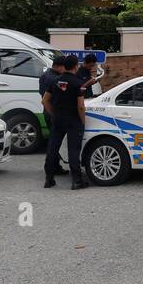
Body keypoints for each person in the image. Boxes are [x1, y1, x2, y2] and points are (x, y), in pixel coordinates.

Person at [43, 55, 88, 189]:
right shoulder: (78, 83)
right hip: (73, 120)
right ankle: (77, 181)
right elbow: (80, 106)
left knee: (53, 148)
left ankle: (49, 179)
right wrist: (82, 121)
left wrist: (54, 114)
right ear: (75, 66)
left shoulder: (55, 81)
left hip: (58, 119)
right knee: (74, 150)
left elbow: (44, 100)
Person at [38, 57, 70, 174]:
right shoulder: (53, 78)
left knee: (54, 142)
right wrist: (54, 114)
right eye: (64, 68)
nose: (65, 70)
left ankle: (53, 167)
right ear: (58, 66)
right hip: (52, 112)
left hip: (48, 112)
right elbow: (50, 98)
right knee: (55, 143)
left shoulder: (46, 75)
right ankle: (52, 167)